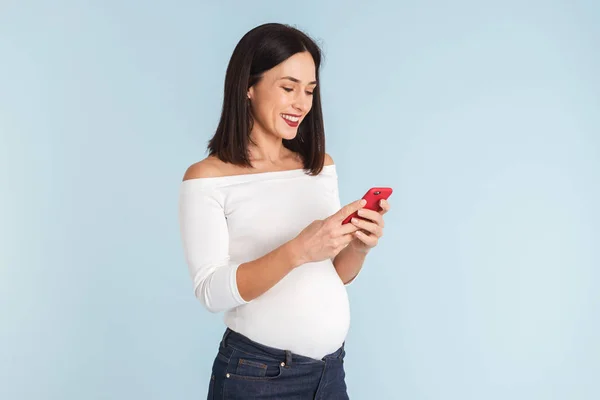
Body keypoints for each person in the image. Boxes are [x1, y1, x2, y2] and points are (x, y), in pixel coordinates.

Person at [178, 23, 390, 400]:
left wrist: (358, 247)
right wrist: (298, 250)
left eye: (309, 91)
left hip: (330, 373)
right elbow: (210, 292)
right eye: (288, 87)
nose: (302, 104)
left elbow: (332, 275)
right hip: (258, 378)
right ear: (249, 85)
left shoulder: (318, 166)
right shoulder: (208, 177)